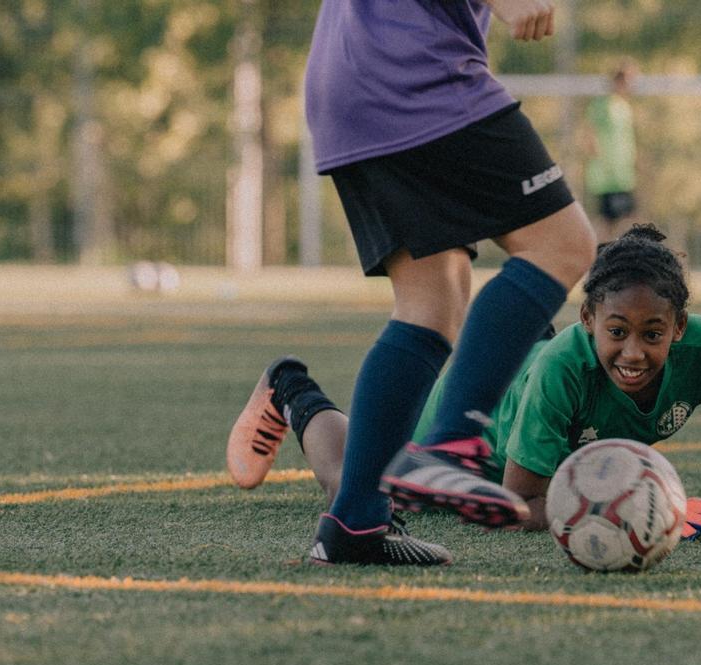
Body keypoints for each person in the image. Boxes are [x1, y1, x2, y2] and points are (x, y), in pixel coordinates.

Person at [228, 226, 701, 565]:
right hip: (481, 434)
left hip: (541, 371)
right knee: (359, 479)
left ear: (680, 328)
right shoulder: (563, 369)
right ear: (589, 321)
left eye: (653, 334)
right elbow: (516, 503)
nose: (634, 352)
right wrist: (653, 511)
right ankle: (293, 388)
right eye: (617, 332)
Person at [227, 1, 597, 567]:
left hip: (353, 83)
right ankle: (449, 444)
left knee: (433, 300)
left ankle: (354, 521)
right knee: (562, 245)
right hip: (414, 75)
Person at [582, 61, 640, 243]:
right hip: (608, 176)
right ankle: (597, 253)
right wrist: (601, 162)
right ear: (618, 80)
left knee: (625, 217)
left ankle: (617, 252)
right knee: (607, 220)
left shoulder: (624, 106)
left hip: (624, 174)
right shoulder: (602, 104)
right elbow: (590, 134)